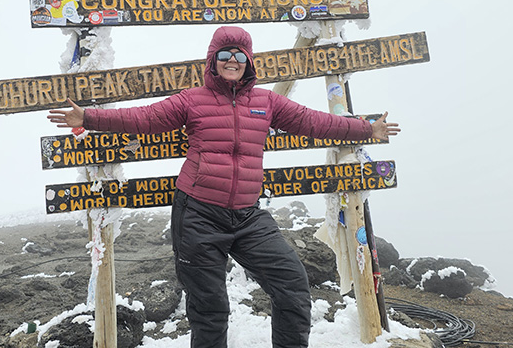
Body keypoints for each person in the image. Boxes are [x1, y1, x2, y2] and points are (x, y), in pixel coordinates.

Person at [48, 26, 400, 348]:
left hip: (248, 216)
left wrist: (366, 129)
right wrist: (88, 118)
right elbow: (145, 119)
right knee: (210, 310)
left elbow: (314, 122)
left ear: (249, 62)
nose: (232, 60)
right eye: (224, 54)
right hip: (198, 215)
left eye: (239, 55)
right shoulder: (192, 100)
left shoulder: (266, 101)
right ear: (212, 61)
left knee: (293, 287)